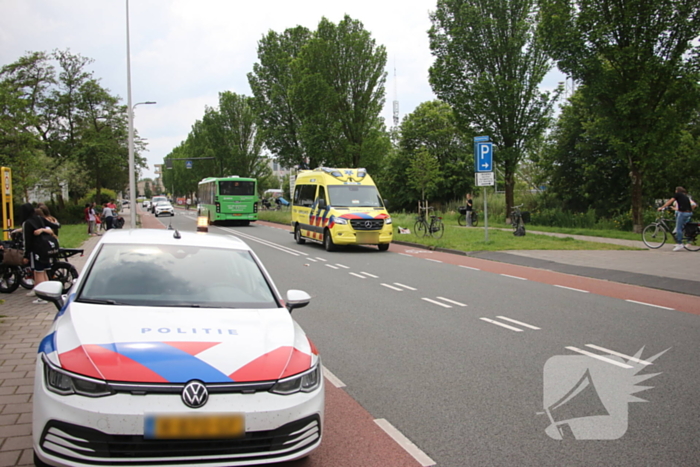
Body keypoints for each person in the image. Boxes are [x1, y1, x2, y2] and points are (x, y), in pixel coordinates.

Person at [20, 203, 55, 304]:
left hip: (36, 250)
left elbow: (27, 241)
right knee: (44, 271)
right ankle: (49, 293)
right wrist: (44, 229)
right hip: (46, 248)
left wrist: (25, 255)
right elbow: (55, 225)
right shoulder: (39, 218)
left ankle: (43, 296)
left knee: (39, 272)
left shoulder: (27, 223)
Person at [658, 186, 695, 251]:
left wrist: (662, 207)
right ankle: (680, 239)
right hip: (689, 213)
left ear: (677, 191)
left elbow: (670, 201)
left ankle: (680, 243)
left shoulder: (678, 194)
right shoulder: (685, 196)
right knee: (682, 227)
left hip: (683, 213)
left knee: (678, 228)